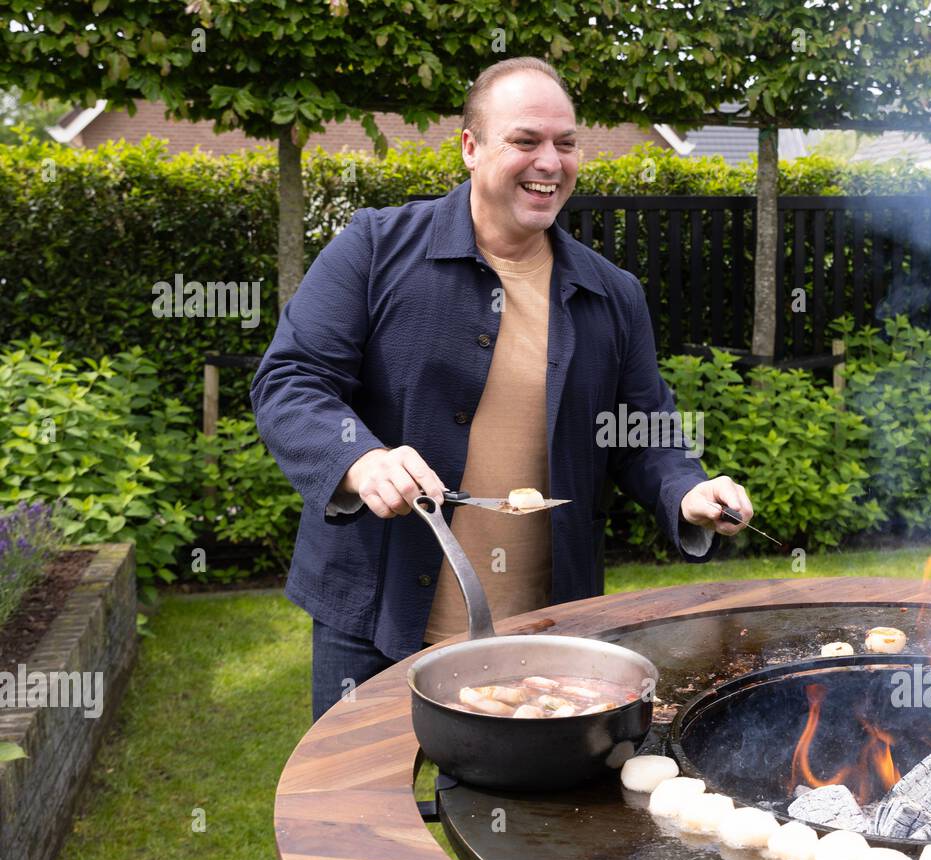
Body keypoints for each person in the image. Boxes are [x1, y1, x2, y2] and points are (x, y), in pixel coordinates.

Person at [250, 57, 754, 722]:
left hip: (547, 632)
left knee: (528, 822)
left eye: (566, 142)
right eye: (526, 141)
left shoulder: (613, 295)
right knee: (354, 817)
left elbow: (642, 433)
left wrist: (686, 487)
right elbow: (291, 381)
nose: (551, 162)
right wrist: (360, 459)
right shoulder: (374, 247)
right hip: (373, 619)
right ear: (470, 147)